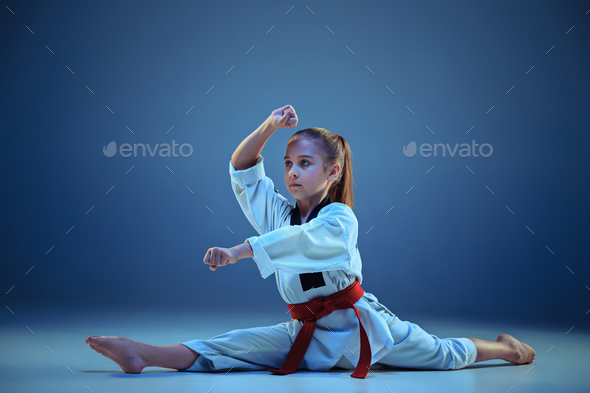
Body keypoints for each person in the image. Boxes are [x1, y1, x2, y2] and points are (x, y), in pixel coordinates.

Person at [85, 105, 536, 376]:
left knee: (443, 354)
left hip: (367, 330)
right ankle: (140, 353)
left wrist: (240, 251)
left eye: (305, 163)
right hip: (308, 331)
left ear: (332, 171)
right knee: (231, 346)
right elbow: (243, 171)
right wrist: (267, 126)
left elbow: (304, 243)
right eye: (288, 164)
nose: (293, 172)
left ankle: (507, 349)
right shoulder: (280, 213)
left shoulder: (339, 218)